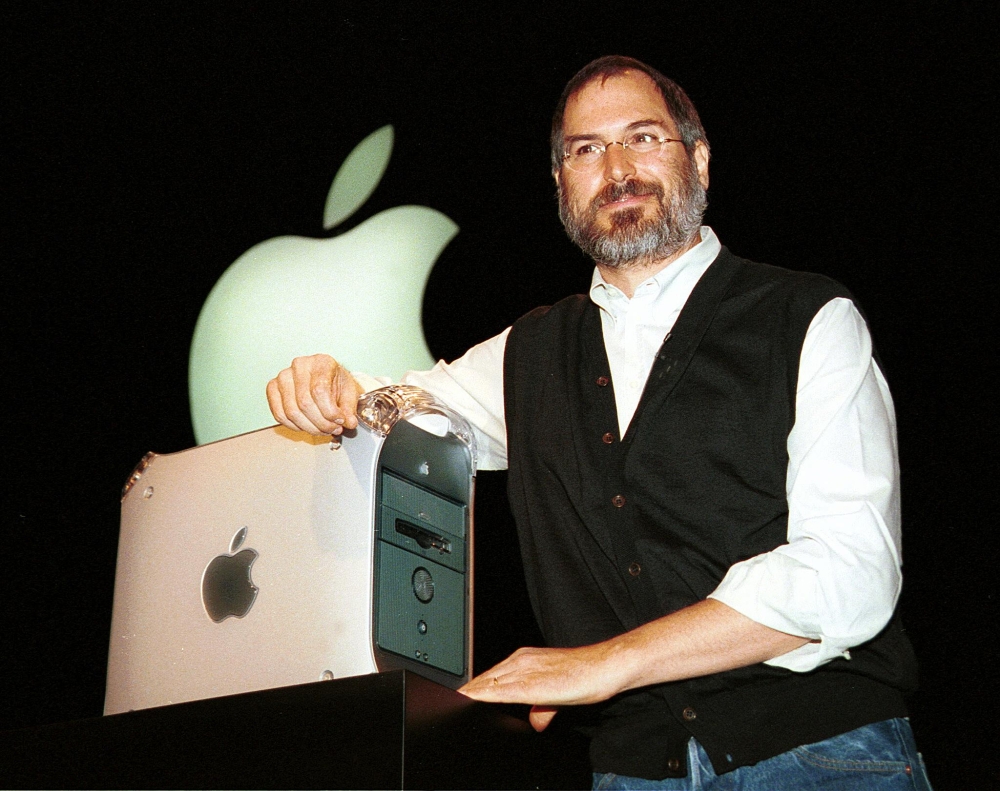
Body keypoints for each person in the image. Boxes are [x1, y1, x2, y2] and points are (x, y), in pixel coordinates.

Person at [267, 56, 931, 790]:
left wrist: (606, 661)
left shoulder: (807, 319)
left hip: (822, 754)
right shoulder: (531, 353)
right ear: (560, 186)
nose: (617, 168)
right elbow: (405, 404)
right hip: (635, 773)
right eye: (586, 150)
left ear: (700, 161)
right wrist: (335, 386)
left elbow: (851, 573)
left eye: (644, 138)